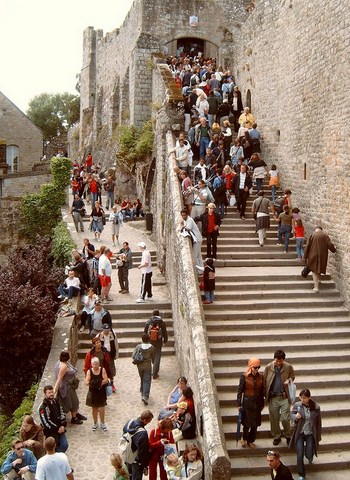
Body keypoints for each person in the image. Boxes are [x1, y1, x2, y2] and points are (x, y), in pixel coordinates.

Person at [264, 350, 295, 446]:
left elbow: (292, 377)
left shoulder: (288, 367)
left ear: (283, 360)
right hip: (273, 397)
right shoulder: (269, 367)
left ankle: (288, 435)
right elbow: (264, 381)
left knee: (285, 418)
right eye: (276, 361)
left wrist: (288, 380)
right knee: (274, 418)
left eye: (280, 361)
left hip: (284, 396)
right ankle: (277, 436)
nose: (278, 363)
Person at [290, 389, 322, 480]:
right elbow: (291, 414)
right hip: (300, 432)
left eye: (305, 398)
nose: (302, 399)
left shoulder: (316, 407)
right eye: (301, 397)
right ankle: (301, 474)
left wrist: (318, 436)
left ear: (309, 398)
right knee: (299, 454)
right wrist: (295, 417)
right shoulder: (298, 405)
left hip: (310, 433)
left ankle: (310, 456)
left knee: (308, 452)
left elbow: (318, 423)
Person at [237, 358, 264, 448]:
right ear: (251, 367)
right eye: (255, 367)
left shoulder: (261, 377)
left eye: (258, 367)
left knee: (255, 424)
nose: (256, 369)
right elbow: (240, 391)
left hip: (257, 403)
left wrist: (263, 402)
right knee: (246, 423)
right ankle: (244, 438)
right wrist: (239, 404)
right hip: (247, 403)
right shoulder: (244, 376)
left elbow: (262, 390)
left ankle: (251, 440)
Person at [53, 351, 86, 426]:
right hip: (67, 387)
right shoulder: (64, 367)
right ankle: (74, 418)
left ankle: (76, 414)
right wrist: (55, 389)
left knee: (75, 401)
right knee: (74, 401)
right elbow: (59, 378)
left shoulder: (62, 362)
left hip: (69, 385)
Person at [122, 410, 154, 480]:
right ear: (145, 420)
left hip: (127, 455)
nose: (148, 423)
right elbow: (143, 452)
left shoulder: (129, 423)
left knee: (127, 477)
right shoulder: (143, 433)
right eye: (148, 422)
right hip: (136, 461)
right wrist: (145, 465)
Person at [304, 227, 336, 293]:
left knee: (314, 270)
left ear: (315, 230)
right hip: (322, 255)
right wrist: (334, 250)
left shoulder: (312, 235)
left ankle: (316, 287)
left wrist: (305, 256)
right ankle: (318, 282)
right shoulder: (325, 235)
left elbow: (308, 246)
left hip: (313, 255)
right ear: (321, 230)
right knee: (319, 268)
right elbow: (329, 244)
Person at [38, 386, 68, 453]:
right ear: (45, 394)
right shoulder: (43, 407)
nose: (51, 394)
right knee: (53, 446)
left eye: (52, 392)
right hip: (51, 432)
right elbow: (46, 422)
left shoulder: (56, 402)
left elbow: (62, 413)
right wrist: (57, 429)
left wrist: (63, 425)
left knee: (65, 445)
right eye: (49, 393)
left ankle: (57, 455)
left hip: (60, 428)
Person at [85, 356, 109, 431]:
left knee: (102, 408)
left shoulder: (102, 370)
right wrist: (94, 384)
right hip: (93, 392)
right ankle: (95, 422)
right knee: (94, 408)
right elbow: (86, 382)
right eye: (94, 364)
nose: (95, 365)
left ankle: (102, 422)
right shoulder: (89, 371)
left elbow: (106, 380)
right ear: (92, 365)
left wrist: (98, 383)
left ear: (99, 364)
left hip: (101, 392)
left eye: (96, 364)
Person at [144, 309, 168, 380]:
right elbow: (164, 332)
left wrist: (145, 340)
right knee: (157, 357)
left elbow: (145, 332)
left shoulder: (149, 322)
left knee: (152, 355)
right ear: (158, 314)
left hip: (150, 341)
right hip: (158, 342)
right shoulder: (161, 322)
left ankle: (154, 368)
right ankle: (155, 373)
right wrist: (165, 340)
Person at [132, 333, 154, 405]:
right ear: (148, 339)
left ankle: (142, 389)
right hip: (147, 366)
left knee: (142, 377)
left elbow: (133, 355)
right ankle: (145, 396)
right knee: (147, 380)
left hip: (140, 366)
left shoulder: (139, 346)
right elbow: (153, 357)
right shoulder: (152, 347)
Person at [97, 323, 118, 392]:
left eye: (107, 330)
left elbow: (116, 345)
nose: (106, 331)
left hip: (110, 355)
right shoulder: (99, 336)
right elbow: (95, 344)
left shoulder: (112, 335)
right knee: (102, 369)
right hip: (102, 355)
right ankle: (102, 384)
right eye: (105, 330)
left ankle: (112, 385)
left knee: (111, 370)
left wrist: (116, 355)